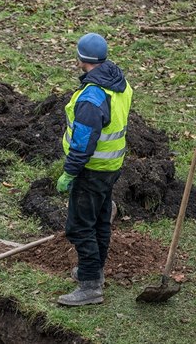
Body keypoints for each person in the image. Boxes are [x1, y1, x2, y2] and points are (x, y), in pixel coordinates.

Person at [56, 33, 133, 306]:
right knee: (100, 222)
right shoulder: (119, 84)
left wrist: (70, 172)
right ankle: (93, 273)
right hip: (111, 166)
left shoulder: (92, 98)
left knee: (78, 227)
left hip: (91, 170)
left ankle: (90, 287)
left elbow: (83, 141)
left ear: (81, 59)